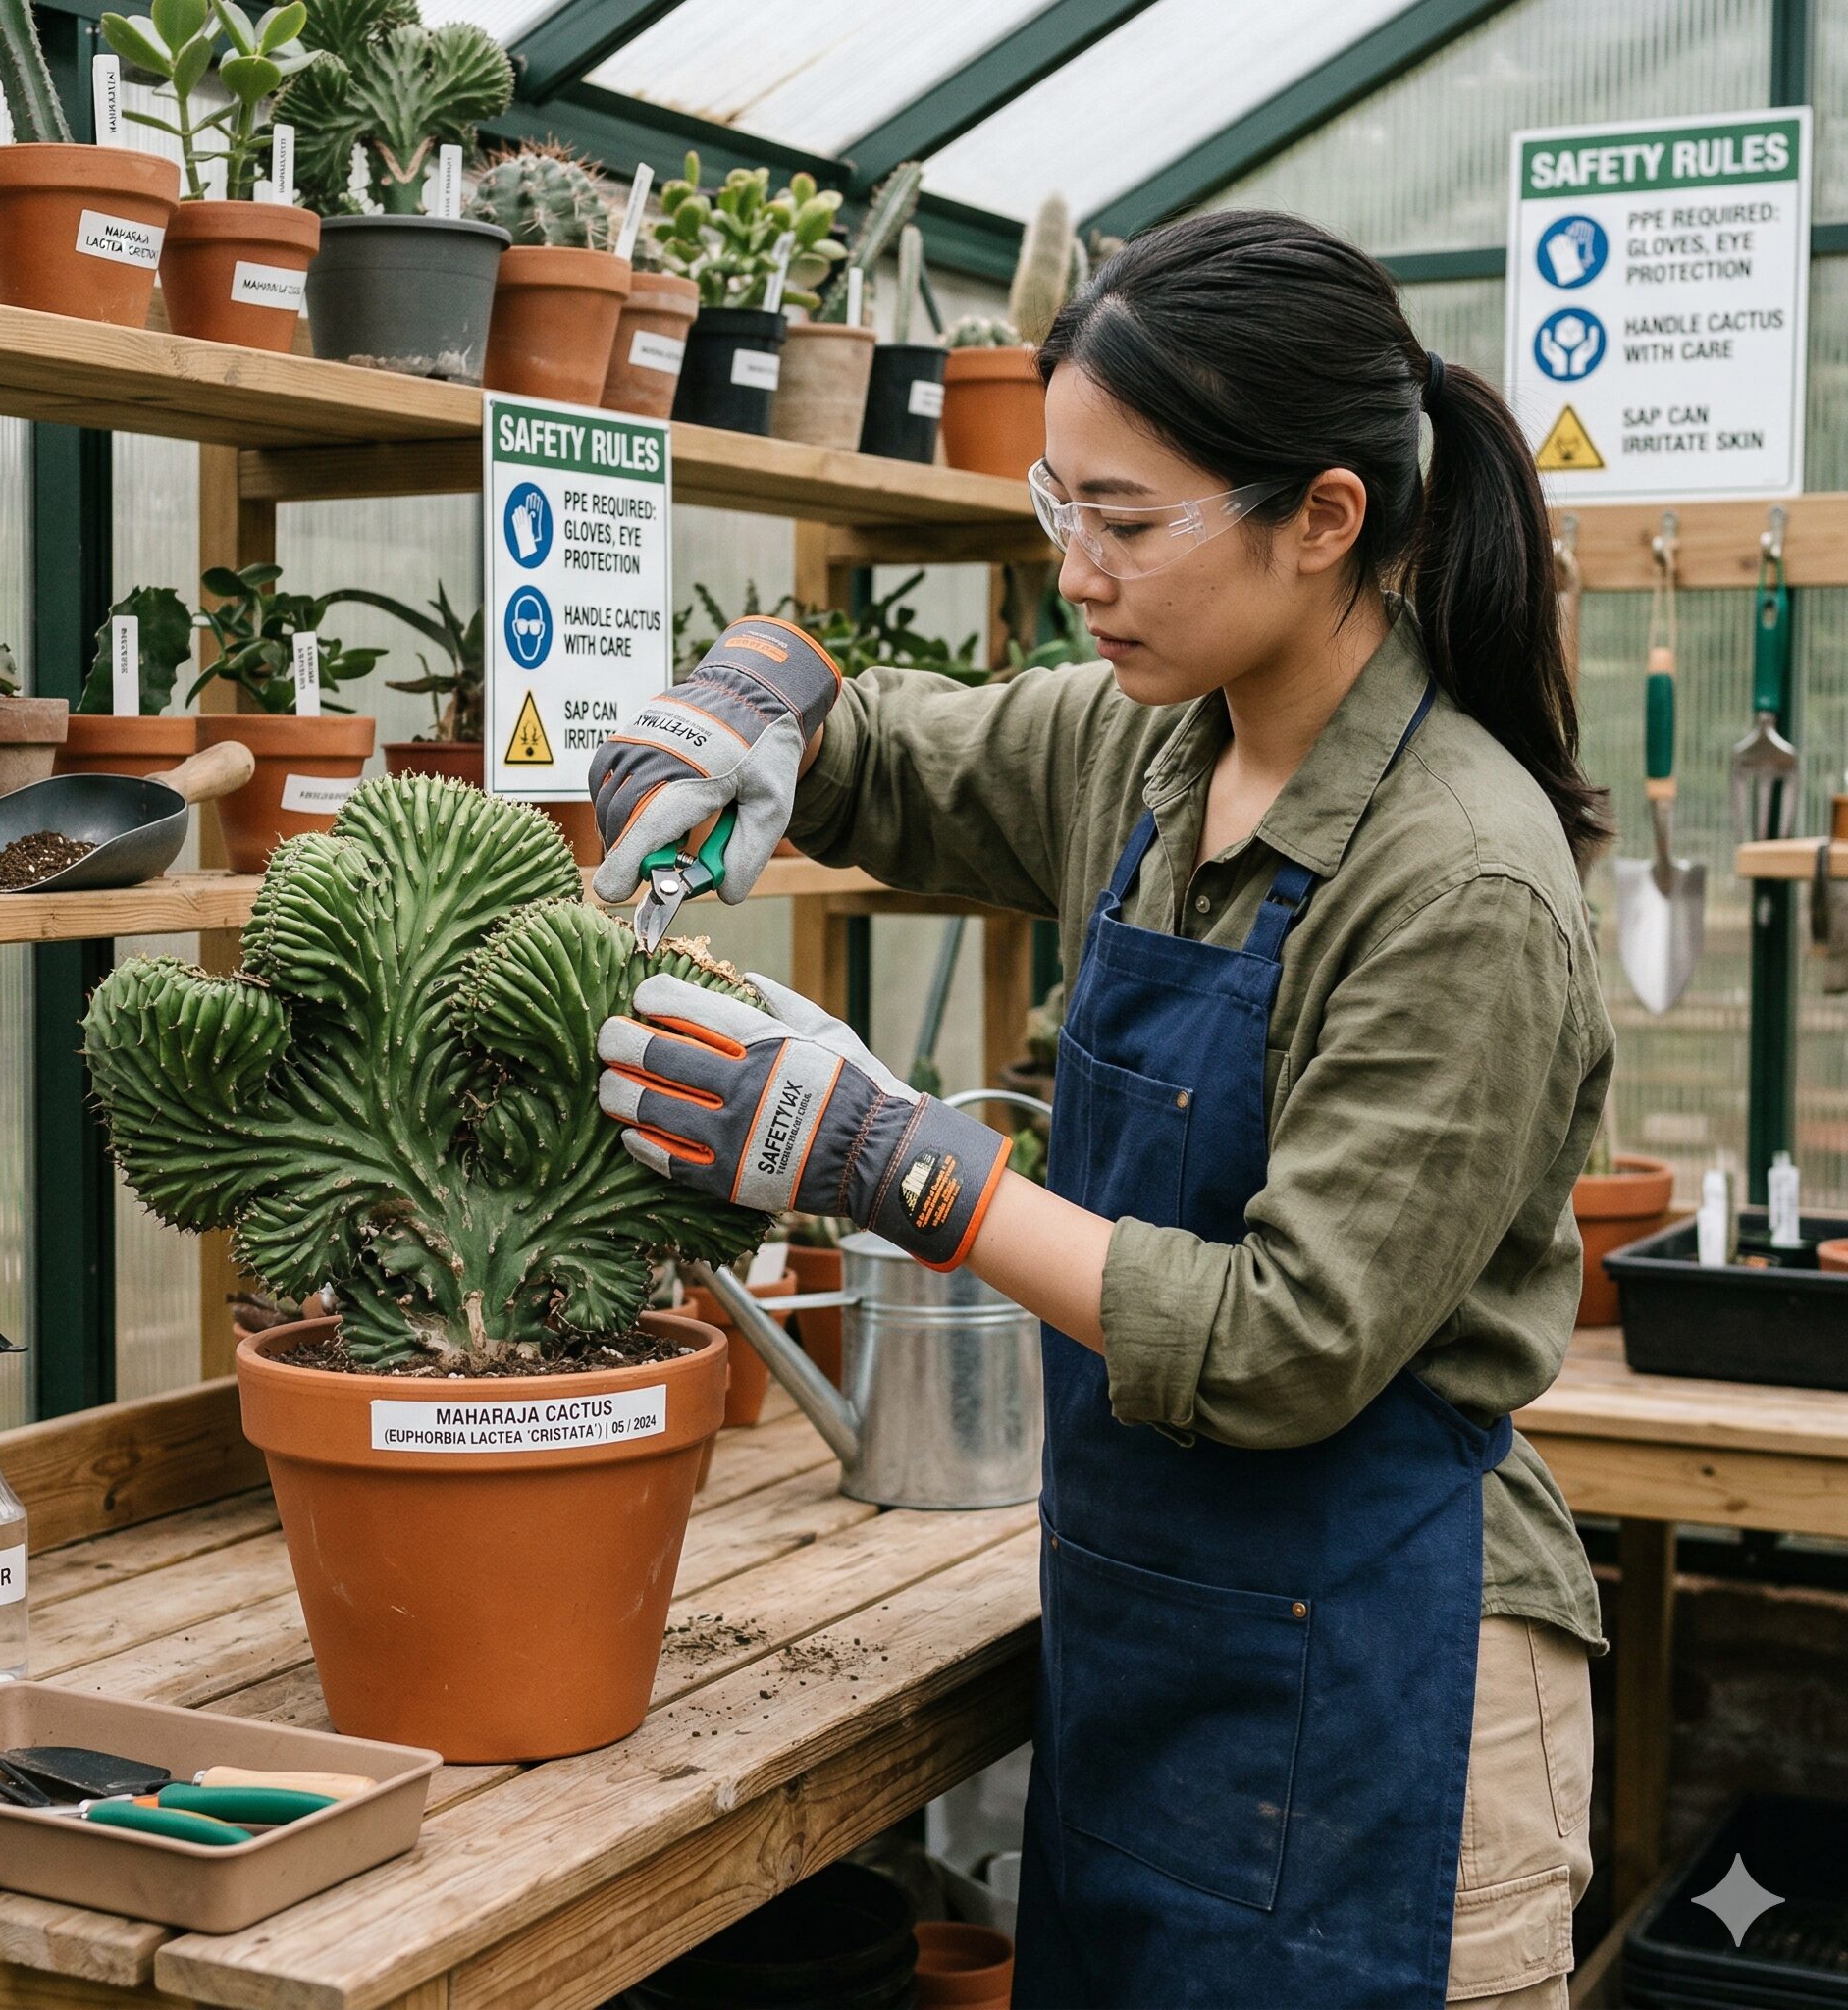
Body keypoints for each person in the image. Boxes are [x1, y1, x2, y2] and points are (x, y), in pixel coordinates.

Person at [587, 209, 1611, 2010]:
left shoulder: (1457, 880)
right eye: (1061, 508)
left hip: (1389, 1698)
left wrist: (897, 1164)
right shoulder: (1159, 749)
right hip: (1152, 1659)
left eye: (1127, 523)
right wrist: (761, 700)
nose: (1079, 570)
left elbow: (1290, 1342)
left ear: (1324, 518)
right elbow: (903, 755)